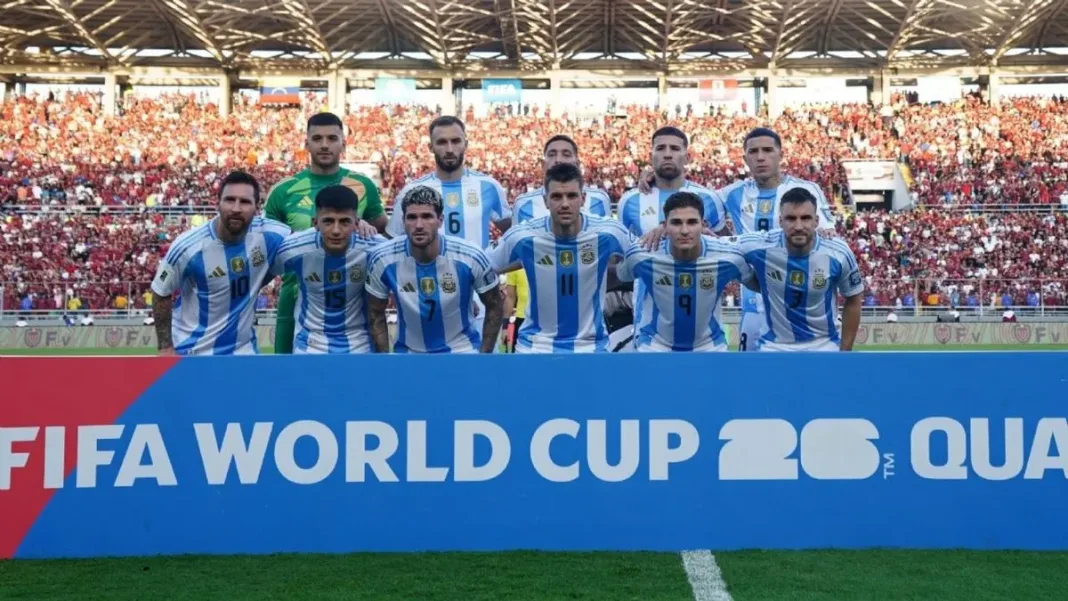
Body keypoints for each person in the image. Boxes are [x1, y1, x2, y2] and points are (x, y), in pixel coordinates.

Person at [264, 112, 386, 355]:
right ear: (306, 143)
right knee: (291, 384)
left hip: (352, 306)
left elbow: (381, 231)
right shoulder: (283, 191)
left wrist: (365, 227)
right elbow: (269, 246)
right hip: (295, 298)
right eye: (317, 138)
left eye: (332, 138)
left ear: (343, 142)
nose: (324, 145)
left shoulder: (363, 185)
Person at [711, 127, 838, 352]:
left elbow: (828, 235)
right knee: (751, 375)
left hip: (801, 299)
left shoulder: (805, 189)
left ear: (781, 155)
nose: (761, 157)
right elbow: (690, 200)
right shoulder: (732, 193)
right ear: (745, 158)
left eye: (768, 150)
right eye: (754, 152)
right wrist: (654, 179)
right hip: (753, 299)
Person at [385, 115, 511, 334]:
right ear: (430, 147)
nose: (450, 148)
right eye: (442, 142)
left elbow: (514, 237)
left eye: (456, 141)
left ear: (466, 143)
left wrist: (492, 268)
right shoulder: (412, 191)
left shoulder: (488, 186)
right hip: (427, 295)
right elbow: (393, 246)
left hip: (478, 297)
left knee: (478, 364)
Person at [489, 163, 633, 353]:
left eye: (572, 196)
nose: (565, 204)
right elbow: (480, 266)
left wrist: (662, 230)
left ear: (583, 199)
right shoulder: (523, 236)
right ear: (546, 200)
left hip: (591, 348)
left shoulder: (609, 232)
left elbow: (648, 260)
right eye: (557, 196)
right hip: (535, 349)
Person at [150, 170, 290, 355]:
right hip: (192, 351)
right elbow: (161, 292)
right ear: (218, 203)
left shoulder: (274, 235)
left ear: (257, 207)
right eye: (230, 200)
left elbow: (309, 245)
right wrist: (165, 348)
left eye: (245, 202)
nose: (236, 208)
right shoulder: (188, 247)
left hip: (243, 351)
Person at [619, 126, 729, 350]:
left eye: (674, 148)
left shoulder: (709, 199)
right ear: (651, 155)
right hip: (648, 325)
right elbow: (622, 259)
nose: (667, 153)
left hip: (703, 329)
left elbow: (725, 247)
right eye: (660, 148)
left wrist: (713, 239)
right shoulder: (629, 201)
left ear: (686, 156)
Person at [367, 186, 503, 354]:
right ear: (403, 221)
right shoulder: (383, 259)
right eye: (412, 217)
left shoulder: (470, 256)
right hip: (408, 355)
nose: (418, 225)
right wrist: (385, 361)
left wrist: (485, 354)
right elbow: (374, 312)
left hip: (462, 352)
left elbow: (495, 304)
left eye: (427, 217)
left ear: (440, 220)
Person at [616, 192, 755, 352]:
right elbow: (621, 274)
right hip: (655, 347)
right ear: (664, 226)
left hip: (710, 347)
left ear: (703, 225)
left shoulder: (728, 257)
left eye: (692, 222)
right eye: (676, 222)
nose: (684, 230)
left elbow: (754, 282)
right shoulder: (641, 255)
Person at [735, 187, 862, 352]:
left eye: (806, 218)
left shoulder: (838, 252)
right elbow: (721, 248)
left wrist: (845, 352)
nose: (799, 226)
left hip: (825, 348)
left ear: (816, 221)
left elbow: (854, 298)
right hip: (773, 348)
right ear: (780, 221)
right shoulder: (761, 246)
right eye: (791, 218)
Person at [269, 185, 386, 354]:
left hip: (360, 346)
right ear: (315, 223)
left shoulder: (374, 248)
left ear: (356, 223)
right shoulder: (294, 248)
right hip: (309, 346)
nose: (336, 230)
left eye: (345, 221)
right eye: (328, 221)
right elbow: (260, 274)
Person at [513, 134, 610, 223]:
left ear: (577, 164)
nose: (558, 160)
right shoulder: (523, 204)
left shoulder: (599, 200)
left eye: (566, 154)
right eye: (552, 155)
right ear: (543, 165)